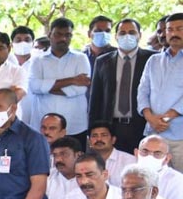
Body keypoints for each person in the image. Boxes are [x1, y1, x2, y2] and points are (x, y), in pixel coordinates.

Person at [88, 19, 155, 153]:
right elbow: (96, 99)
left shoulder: (152, 59)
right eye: (122, 32)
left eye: (132, 32)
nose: (127, 36)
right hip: (111, 127)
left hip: (141, 125)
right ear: (116, 36)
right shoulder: (103, 61)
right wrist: (93, 131)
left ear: (139, 35)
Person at [27, 18, 91, 146]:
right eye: (58, 34)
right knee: (42, 163)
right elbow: (34, 87)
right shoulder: (37, 60)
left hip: (74, 124)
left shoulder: (80, 58)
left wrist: (46, 88)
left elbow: (80, 89)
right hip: (43, 125)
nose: (63, 39)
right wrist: (72, 80)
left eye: (67, 35)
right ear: (50, 35)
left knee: (74, 163)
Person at [139, 13, 183, 172]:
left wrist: (166, 117)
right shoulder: (154, 60)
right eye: (170, 29)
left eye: (179, 29)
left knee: (179, 184)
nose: (174, 33)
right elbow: (142, 90)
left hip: (179, 135)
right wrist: (149, 117)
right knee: (150, 180)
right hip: (153, 133)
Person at [134, 134, 183, 199]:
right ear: (136, 153)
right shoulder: (127, 174)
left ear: (167, 158)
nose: (150, 157)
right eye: (145, 151)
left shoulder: (177, 181)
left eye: (157, 153)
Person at [87, 121, 135, 187]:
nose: (99, 139)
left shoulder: (129, 161)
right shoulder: (85, 162)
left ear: (113, 140)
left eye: (104, 135)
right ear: (89, 141)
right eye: (94, 136)